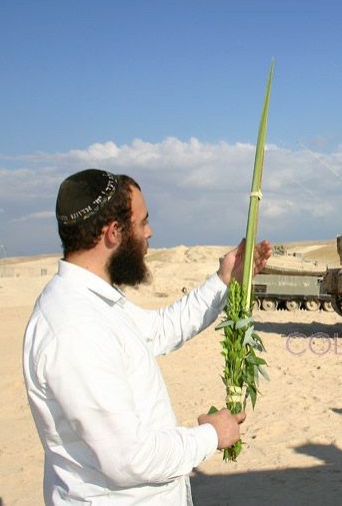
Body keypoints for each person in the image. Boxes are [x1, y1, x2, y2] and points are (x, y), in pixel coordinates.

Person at [22, 169, 272, 505]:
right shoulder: (75, 328)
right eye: (142, 223)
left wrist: (224, 279)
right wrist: (211, 435)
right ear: (114, 233)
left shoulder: (95, 303)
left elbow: (159, 331)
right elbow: (130, 459)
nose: (150, 232)